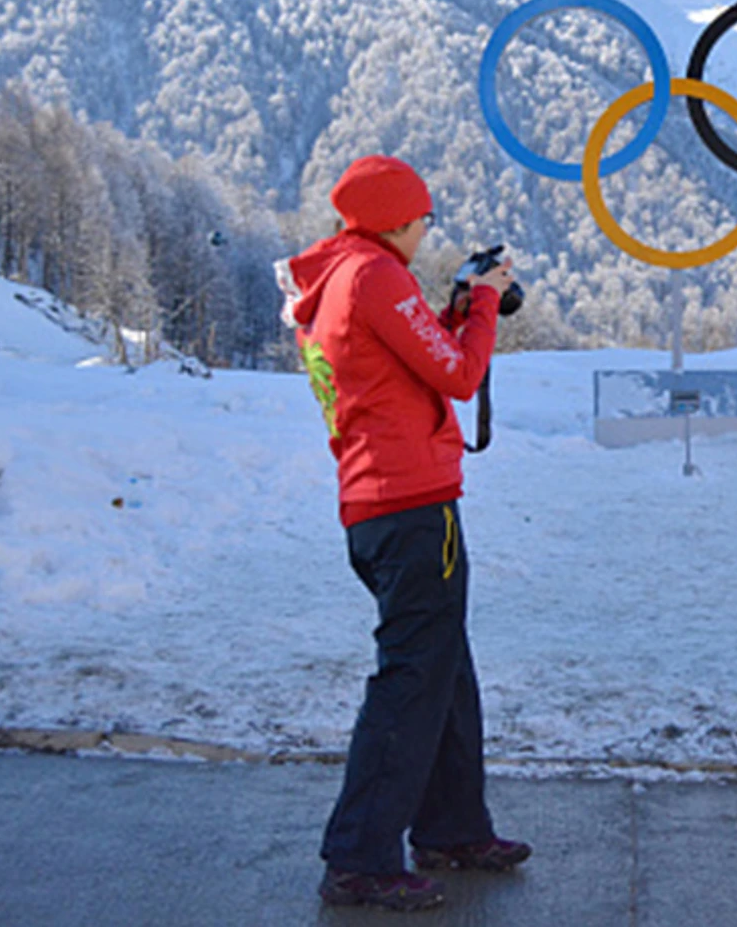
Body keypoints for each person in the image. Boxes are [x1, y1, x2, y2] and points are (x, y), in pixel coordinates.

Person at [279, 155, 530, 911]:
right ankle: (358, 856)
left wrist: (453, 309)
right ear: (396, 219)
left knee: (442, 667)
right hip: (412, 504)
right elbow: (457, 377)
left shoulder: (340, 278)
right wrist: (483, 303)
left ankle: (453, 827)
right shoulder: (376, 276)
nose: (427, 230)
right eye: (422, 218)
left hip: (378, 501)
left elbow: (413, 365)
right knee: (413, 679)